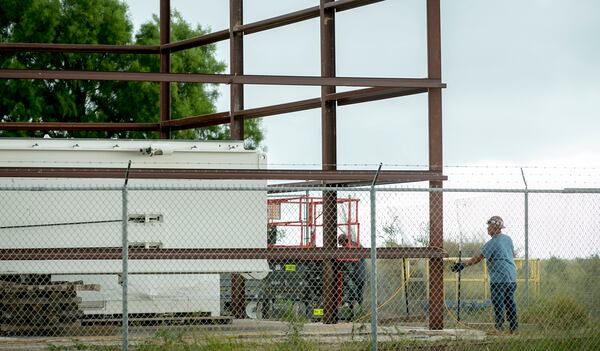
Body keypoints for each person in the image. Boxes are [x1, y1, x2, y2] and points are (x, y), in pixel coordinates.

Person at [450, 216, 518, 333]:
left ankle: (499, 327)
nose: (487, 229)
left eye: (489, 227)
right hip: (511, 276)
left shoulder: (492, 243)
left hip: (499, 278)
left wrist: (462, 265)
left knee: (498, 302)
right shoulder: (508, 239)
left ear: (495, 228)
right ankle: (513, 326)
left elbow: (478, 258)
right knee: (509, 301)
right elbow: (513, 254)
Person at [338, 234, 367, 306]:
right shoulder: (355, 246)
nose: (342, 245)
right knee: (356, 290)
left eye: (342, 243)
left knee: (354, 289)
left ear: (346, 240)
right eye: (341, 244)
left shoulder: (354, 246)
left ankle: (355, 303)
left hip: (357, 273)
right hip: (359, 274)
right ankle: (357, 305)